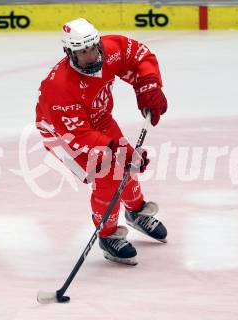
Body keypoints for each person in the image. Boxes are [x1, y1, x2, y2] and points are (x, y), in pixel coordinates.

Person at [35, 18, 168, 266]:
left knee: (128, 164)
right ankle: (107, 236)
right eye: (81, 52)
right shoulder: (59, 87)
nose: (90, 56)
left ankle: (136, 211)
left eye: (92, 48)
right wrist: (115, 149)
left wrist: (148, 84)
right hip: (61, 135)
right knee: (107, 172)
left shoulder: (110, 50)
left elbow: (138, 55)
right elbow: (76, 133)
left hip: (99, 119)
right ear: (69, 53)